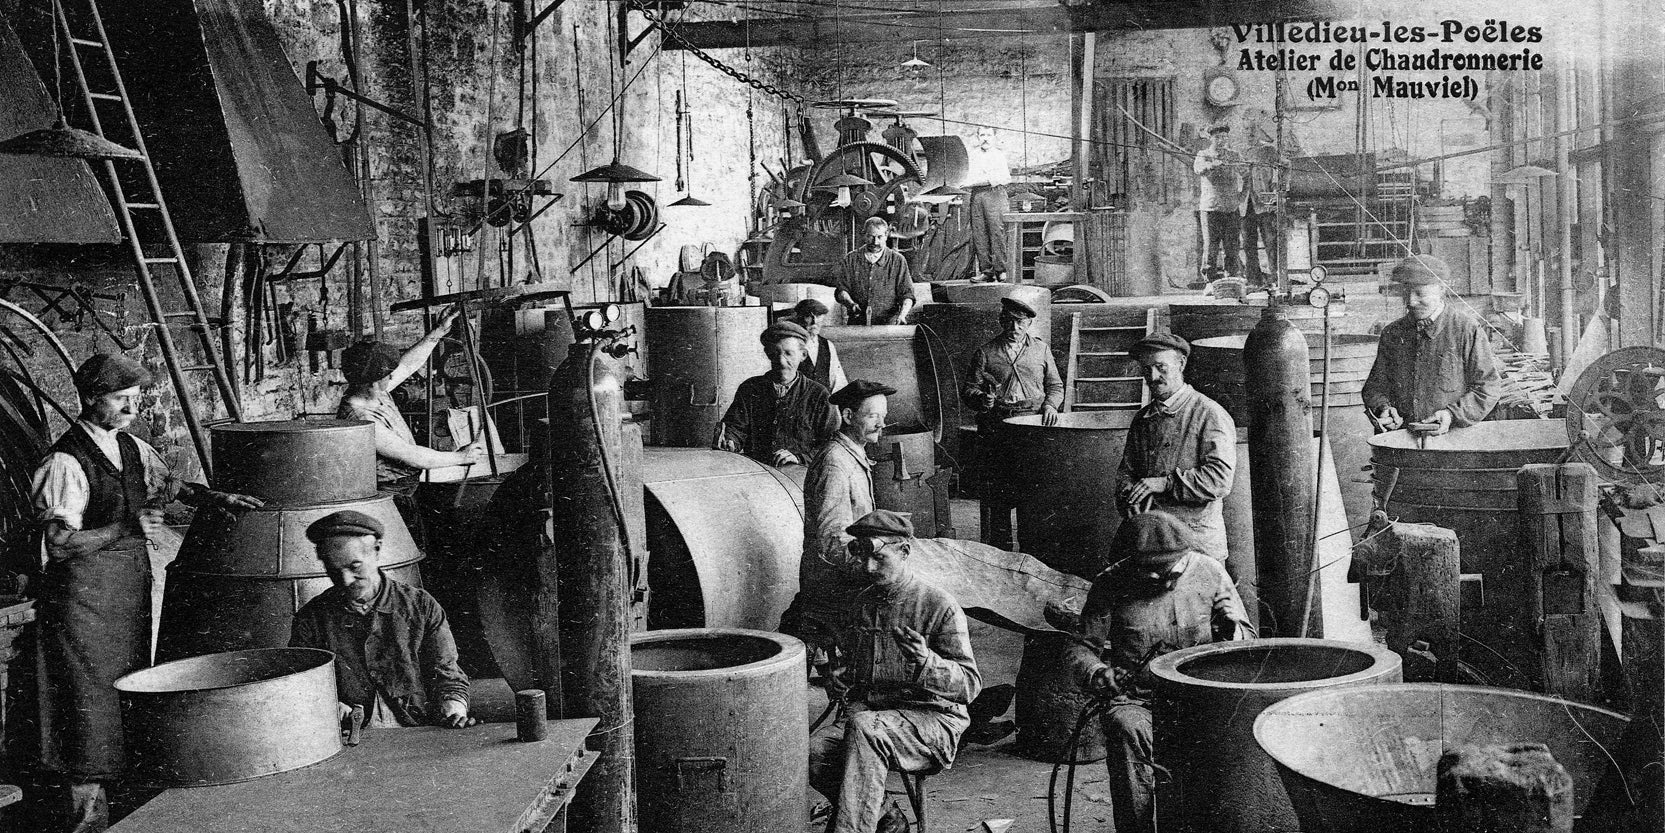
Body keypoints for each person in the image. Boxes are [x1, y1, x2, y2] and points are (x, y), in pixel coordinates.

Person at [29, 353, 263, 832]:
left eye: (134, 399)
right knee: (88, 716)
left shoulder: (131, 447)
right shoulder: (65, 462)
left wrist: (215, 497)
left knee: (127, 698)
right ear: (89, 398)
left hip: (125, 599)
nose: (131, 409)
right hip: (82, 607)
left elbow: (171, 486)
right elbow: (60, 544)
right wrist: (125, 527)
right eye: (120, 399)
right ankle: (88, 823)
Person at [1065, 511, 1252, 833]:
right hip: (1137, 699)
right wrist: (1098, 672)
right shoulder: (1110, 582)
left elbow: (1248, 641)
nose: (1161, 579)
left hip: (1200, 696)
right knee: (1126, 728)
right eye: (1148, 572)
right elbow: (1080, 647)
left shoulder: (1209, 571)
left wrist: (1232, 629)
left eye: (1170, 570)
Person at [809, 510, 981, 833]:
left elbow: (970, 685)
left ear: (904, 551)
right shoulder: (863, 604)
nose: (868, 568)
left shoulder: (939, 605)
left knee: (864, 729)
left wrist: (927, 662)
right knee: (812, 752)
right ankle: (887, 818)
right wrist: (841, 677)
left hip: (932, 722)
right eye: (863, 558)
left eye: (878, 557)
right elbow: (859, 671)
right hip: (873, 715)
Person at [290, 510, 474, 730]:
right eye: (333, 570)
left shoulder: (421, 606)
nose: (346, 580)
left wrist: (454, 707)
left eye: (355, 567)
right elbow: (301, 687)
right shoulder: (310, 618)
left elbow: (447, 674)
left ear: (376, 550)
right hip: (349, 737)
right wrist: (328, 707)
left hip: (418, 731)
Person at [336, 307, 486, 534]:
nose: (391, 377)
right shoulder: (361, 420)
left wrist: (438, 331)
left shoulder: (375, 392)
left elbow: (407, 365)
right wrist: (460, 457)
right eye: (387, 375)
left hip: (405, 487)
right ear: (374, 381)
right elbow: (410, 455)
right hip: (388, 495)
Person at [787, 380, 895, 669]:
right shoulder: (835, 463)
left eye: (883, 416)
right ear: (848, 416)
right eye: (873, 416)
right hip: (834, 583)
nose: (882, 424)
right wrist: (874, 563)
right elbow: (831, 541)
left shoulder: (851, 454)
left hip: (844, 575)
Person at [1115, 331, 1236, 562]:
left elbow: (1219, 480)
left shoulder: (1209, 413)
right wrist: (1128, 497)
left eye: (1161, 367)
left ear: (1181, 364)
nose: (1153, 376)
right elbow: (1126, 472)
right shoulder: (1142, 419)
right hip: (1150, 544)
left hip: (1196, 546)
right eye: (1146, 369)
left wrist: (1165, 483)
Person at [1361, 254, 1502, 437]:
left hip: (1450, 442)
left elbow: (1488, 387)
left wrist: (1452, 414)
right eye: (1406, 292)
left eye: (1420, 293)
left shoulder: (1467, 330)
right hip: (1401, 441)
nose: (1411, 302)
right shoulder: (1392, 333)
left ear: (1442, 288)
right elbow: (1374, 387)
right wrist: (1383, 408)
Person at [961, 296, 1063, 547]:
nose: (1014, 328)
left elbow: (1056, 386)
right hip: (999, 427)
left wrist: (1050, 405)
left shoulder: (1041, 349)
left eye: (1020, 322)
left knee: (1033, 490)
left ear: (1029, 324)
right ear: (1001, 322)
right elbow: (969, 389)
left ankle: (1032, 547)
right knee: (999, 492)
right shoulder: (985, 352)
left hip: (1033, 427)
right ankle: (1001, 547)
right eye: (1008, 322)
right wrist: (982, 399)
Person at [715, 321, 840, 467]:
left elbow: (833, 446)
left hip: (800, 476)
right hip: (758, 473)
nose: (781, 361)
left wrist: (800, 458)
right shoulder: (750, 389)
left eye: (788, 353)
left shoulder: (819, 395)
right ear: (768, 354)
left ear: (803, 355)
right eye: (775, 354)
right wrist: (730, 441)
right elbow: (735, 428)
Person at [836, 217, 916, 325]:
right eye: (870, 236)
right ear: (864, 235)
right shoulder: (850, 259)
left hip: (889, 326)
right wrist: (851, 304)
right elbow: (841, 290)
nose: (875, 242)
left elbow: (907, 294)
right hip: (857, 325)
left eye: (879, 237)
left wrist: (902, 315)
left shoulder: (898, 260)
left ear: (886, 236)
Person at [1194, 123, 1246, 280]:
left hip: (1231, 209)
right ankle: (1209, 281)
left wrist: (1242, 196)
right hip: (1211, 209)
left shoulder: (1234, 156)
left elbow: (1247, 174)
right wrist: (1212, 165)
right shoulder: (1203, 154)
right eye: (1218, 137)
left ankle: (1231, 279)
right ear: (1210, 138)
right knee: (1211, 247)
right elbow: (1199, 170)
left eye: (1224, 137)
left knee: (1232, 247)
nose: (1222, 140)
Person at [965, 125, 1012, 281]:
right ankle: (986, 272)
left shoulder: (999, 156)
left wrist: (977, 180)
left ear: (994, 138)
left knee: (997, 232)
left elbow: (1001, 178)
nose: (985, 138)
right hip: (977, 195)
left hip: (995, 194)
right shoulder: (972, 156)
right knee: (979, 233)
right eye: (982, 135)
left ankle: (1001, 270)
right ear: (978, 137)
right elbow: (967, 177)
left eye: (989, 135)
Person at [787, 298, 848, 392]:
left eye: (818, 316)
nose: (814, 321)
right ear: (799, 318)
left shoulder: (828, 345)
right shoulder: (790, 345)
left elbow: (837, 381)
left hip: (824, 399)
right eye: (808, 316)